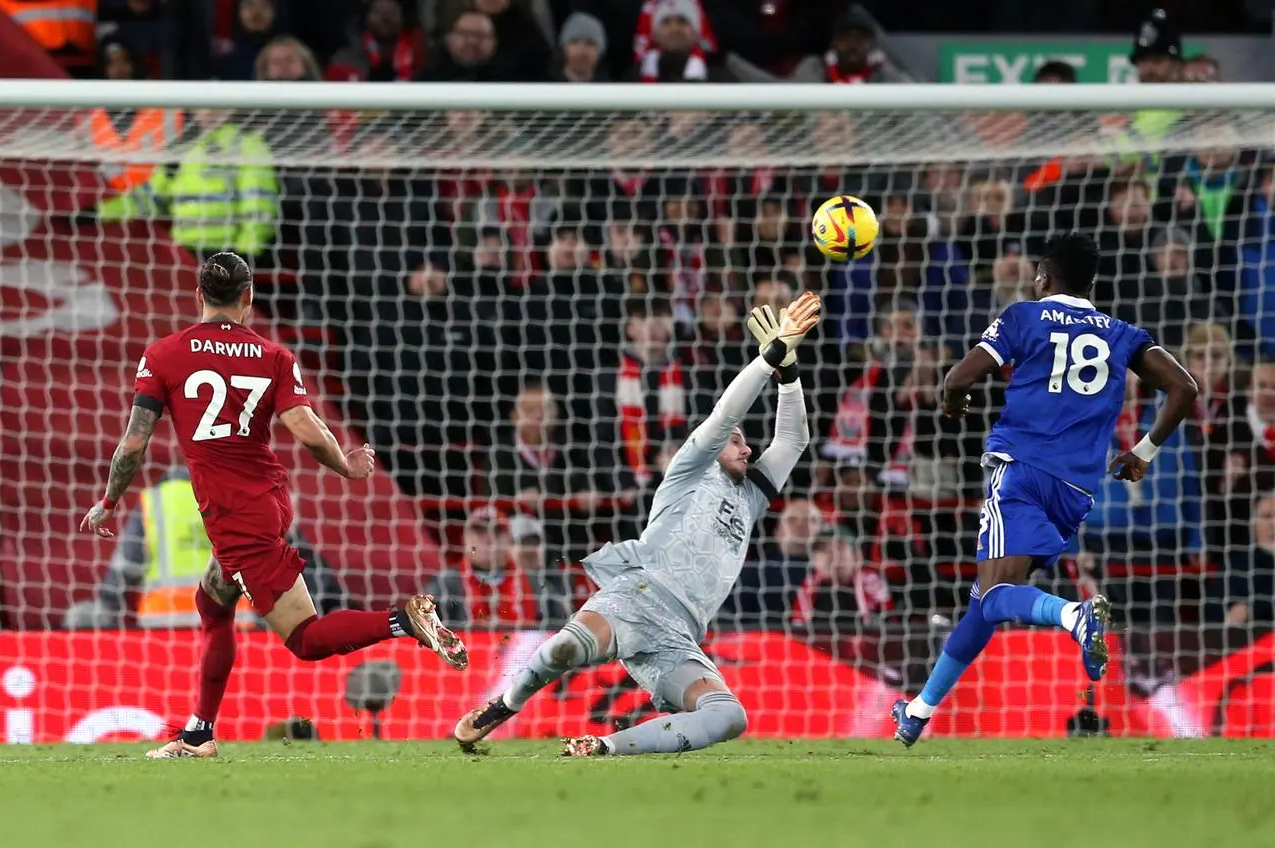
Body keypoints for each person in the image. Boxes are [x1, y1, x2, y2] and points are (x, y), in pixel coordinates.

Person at [79, 252, 468, 759]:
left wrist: (109, 501)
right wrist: (346, 466)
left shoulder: (162, 355)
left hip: (235, 514)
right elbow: (307, 428)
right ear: (248, 298)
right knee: (212, 600)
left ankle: (404, 621)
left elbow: (133, 445)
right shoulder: (274, 356)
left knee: (305, 640)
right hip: (269, 499)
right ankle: (199, 734)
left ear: (198, 296)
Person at [452, 292, 821, 756]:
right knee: (564, 652)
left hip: (681, 632)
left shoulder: (750, 498)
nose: (747, 449)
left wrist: (789, 370)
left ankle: (601, 747)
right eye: (738, 442)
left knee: (729, 716)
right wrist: (767, 359)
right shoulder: (690, 468)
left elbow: (793, 438)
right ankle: (505, 704)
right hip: (640, 593)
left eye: (747, 444)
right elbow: (727, 414)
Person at [891, 233, 1198, 747]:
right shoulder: (1123, 333)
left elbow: (957, 378)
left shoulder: (1023, 317)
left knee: (993, 598)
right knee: (985, 600)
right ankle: (919, 713)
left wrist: (952, 404)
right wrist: (1142, 453)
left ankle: (1073, 615)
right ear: (1092, 283)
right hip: (1076, 490)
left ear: (1042, 277)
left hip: (1021, 469)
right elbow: (1184, 386)